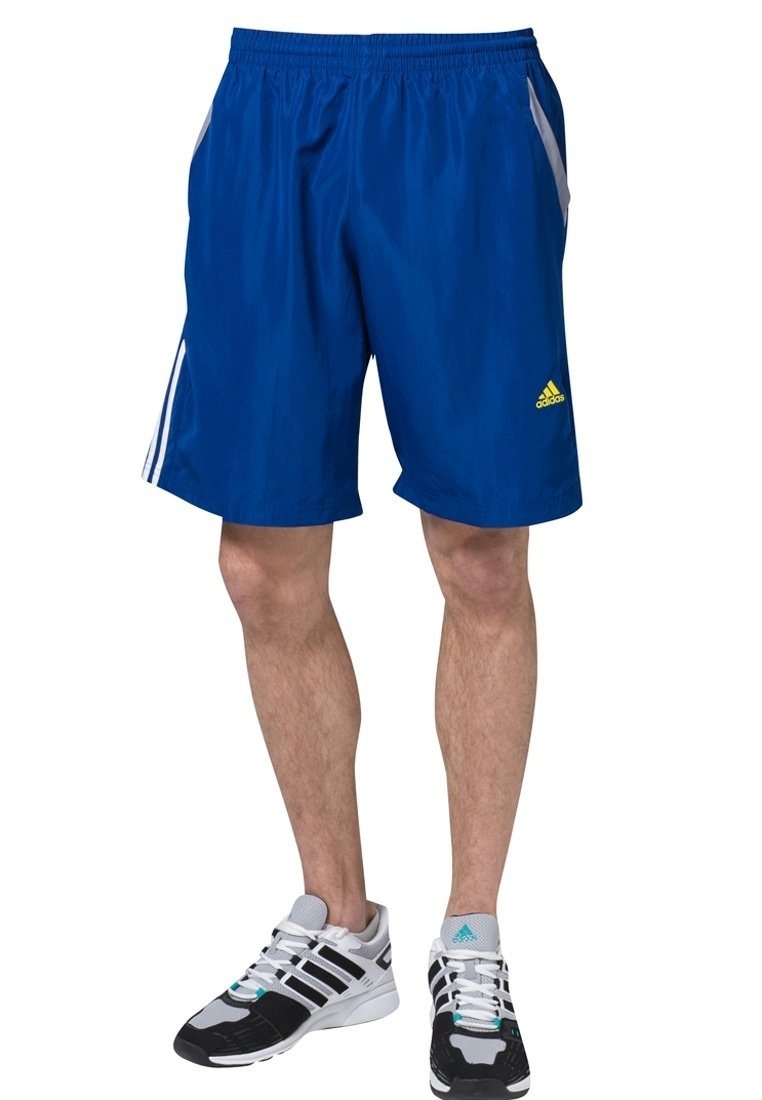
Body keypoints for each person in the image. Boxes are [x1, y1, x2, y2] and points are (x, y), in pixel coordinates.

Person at [141, 26, 581, 1099]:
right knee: (260, 562)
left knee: (483, 554)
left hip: (471, 96)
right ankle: (343, 933)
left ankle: (471, 938)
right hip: (274, 95)